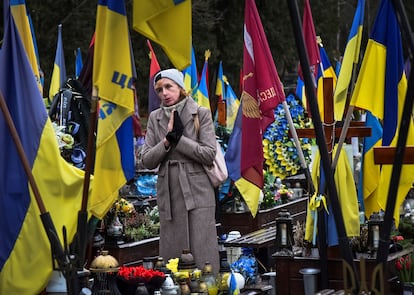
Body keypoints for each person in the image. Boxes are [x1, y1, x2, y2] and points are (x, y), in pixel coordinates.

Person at [140, 68, 220, 273]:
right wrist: (167, 140)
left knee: (202, 249)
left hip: (198, 189)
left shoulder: (200, 113)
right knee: (173, 253)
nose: (164, 93)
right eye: (159, 89)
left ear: (180, 88)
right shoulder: (155, 117)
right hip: (169, 191)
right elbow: (147, 160)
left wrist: (180, 140)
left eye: (169, 87)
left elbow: (209, 153)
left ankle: (208, 286)